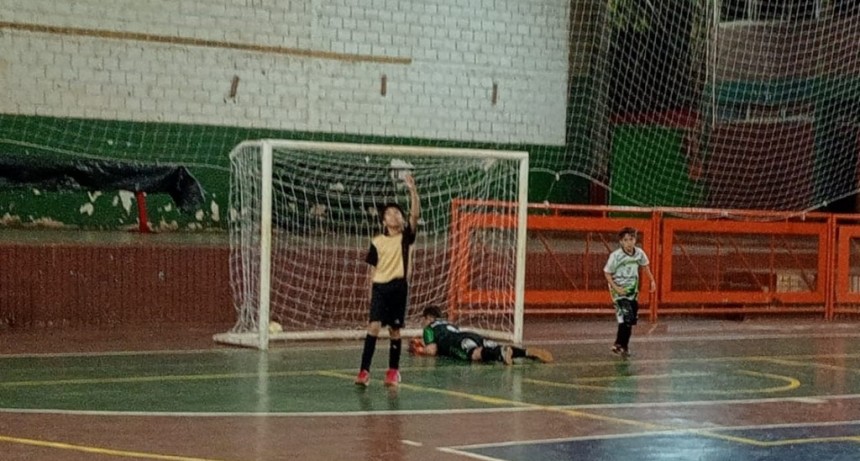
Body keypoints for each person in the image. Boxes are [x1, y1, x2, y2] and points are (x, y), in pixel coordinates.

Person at [355, 173, 420, 387]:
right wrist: (369, 291)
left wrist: (412, 191)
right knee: (373, 327)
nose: (394, 216)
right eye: (389, 214)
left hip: (398, 287)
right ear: (384, 221)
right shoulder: (376, 241)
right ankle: (364, 371)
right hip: (380, 287)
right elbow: (371, 268)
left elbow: (414, 216)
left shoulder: (405, 238)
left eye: (397, 213)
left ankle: (393, 371)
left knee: (394, 330)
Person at [409, 306, 554, 364]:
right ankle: (526, 352)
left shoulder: (429, 328)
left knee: (474, 354)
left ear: (428, 318)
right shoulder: (449, 324)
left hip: (456, 342)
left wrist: (419, 350)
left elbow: (432, 349)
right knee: (488, 344)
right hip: (469, 334)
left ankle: (500, 353)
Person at [603, 226, 656, 358]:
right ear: (621, 242)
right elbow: (607, 273)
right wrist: (616, 288)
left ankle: (622, 345)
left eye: (631, 239)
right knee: (626, 317)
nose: (629, 242)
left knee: (629, 320)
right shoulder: (615, 256)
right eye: (625, 240)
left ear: (635, 240)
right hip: (619, 291)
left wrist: (652, 281)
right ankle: (618, 344)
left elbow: (645, 267)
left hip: (632, 290)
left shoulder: (639, 253)